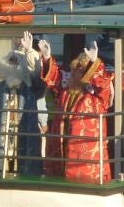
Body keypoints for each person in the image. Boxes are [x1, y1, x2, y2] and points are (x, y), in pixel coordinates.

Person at [39, 39, 114, 183]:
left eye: (79, 72)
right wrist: (47, 57)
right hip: (60, 149)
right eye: (74, 71)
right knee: (57, 177)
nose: (74, 75)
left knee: (85, 178)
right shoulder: (66, 91)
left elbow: (102, 83)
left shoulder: (98, 96)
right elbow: (54, 79)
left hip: (85, 155)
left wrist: (94, 62)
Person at [0, 30, 45, 175]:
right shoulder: (0, 78)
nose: (13, 61)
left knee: (24, 158)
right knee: (2, 157)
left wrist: (30, 51)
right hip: (3, 129)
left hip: (24, 128)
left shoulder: (31, 82)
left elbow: (37, 73)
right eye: (12, 59)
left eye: (17, 59)